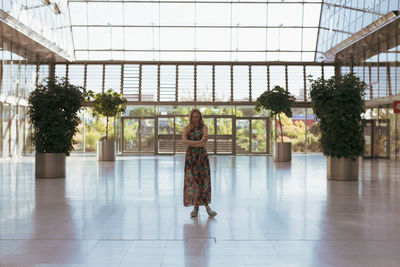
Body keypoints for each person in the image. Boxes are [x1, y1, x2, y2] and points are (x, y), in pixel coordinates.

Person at [182, 109, 217, 218]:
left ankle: (206, 208)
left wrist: (192, 143)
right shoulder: (187, 128)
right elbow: (184, 141)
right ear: (190, 117)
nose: (195, 119)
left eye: (197, 117)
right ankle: (196, 208)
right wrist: (198, 142)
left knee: (203, 181)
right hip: (191, 158)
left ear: (200, 117)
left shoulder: (204, 127)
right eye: (193, 117)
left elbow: (204, 144)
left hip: (201, 157)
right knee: (194, 182)